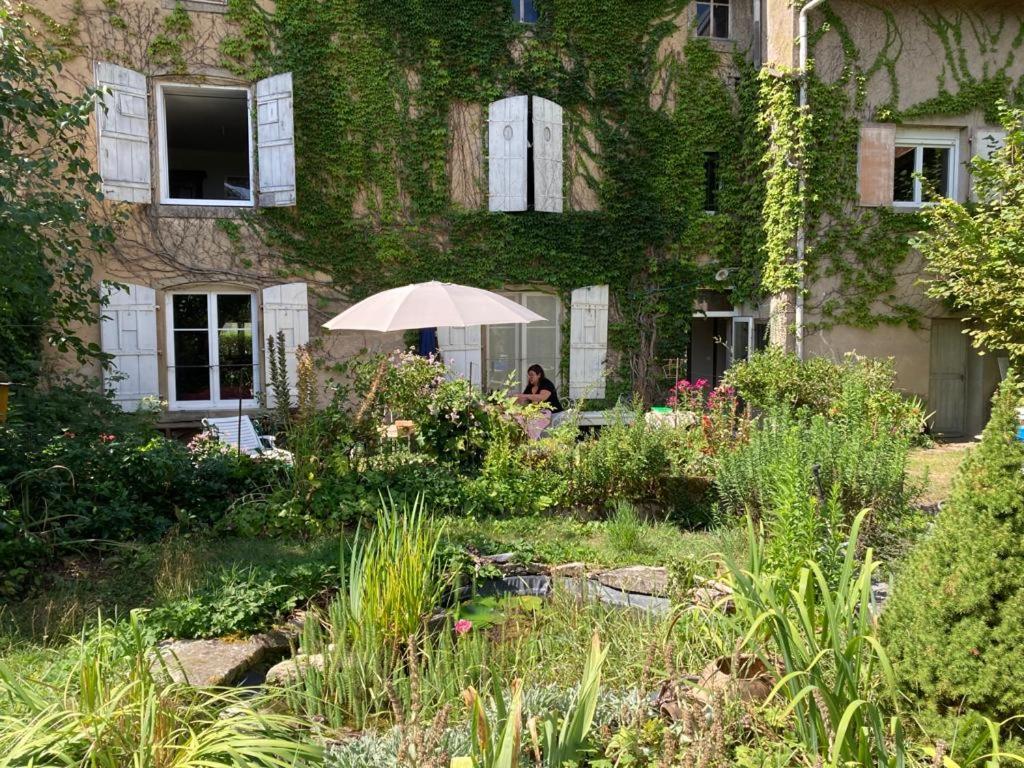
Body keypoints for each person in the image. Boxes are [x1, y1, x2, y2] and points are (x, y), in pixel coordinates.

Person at [515, 364, 562, 439]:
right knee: (520, 419)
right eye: (528, 375)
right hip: (538, 414)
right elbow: (523, 400)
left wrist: (525, 396)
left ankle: (532, 441)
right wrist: (514, 399)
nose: (529, 377)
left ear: (539, 375)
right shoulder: (530, 386)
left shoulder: (546, 383)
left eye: (532, 375)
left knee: (531, 424)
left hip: (553, 415)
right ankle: (527, 439)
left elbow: (542, 397)